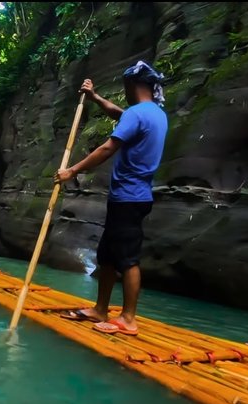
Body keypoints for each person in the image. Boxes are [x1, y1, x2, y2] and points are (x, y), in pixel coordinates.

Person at [53, 60, 168, 336]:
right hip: (130, 198)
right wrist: (94, 98)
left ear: (132, 85)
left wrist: (72, 170)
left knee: (128, 258)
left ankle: (128, 319)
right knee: (107, 255)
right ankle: (101, 308)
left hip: (129, 197)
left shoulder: (137, 114)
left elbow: (107, 148)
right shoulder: (154, 114)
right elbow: (120, 113)